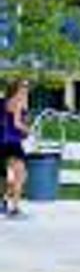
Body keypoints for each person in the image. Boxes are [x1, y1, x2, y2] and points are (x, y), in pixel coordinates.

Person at [1, 79, 31, 218]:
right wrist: (28, 130)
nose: (26, 88)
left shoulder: (8, 101)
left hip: (7, 143)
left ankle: (5, 201)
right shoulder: (18, 102)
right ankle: (14, 209)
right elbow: (17, 123)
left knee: (15, 175)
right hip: (13, 144)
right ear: (16, 88)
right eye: (23, 86)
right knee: (21, 176)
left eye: (27, 85)